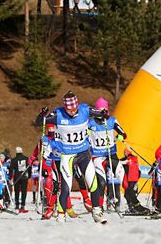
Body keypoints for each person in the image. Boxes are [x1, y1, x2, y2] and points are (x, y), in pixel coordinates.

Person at [37, 90, 108, 223]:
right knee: (65, 188)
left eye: (74, 109)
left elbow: (101, 114)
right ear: (65, 107)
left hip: (84, 154)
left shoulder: (85, 110)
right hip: (67, 156)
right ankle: (61, 215)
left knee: (93, 183)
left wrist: (104, 113)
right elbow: (39, 122)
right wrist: (42, 115)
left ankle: (97, 212)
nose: (72, 112)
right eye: (69, 110)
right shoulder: (58, 114)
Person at [88, 97, 127, 213]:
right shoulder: (90, 123)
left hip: (111, 154)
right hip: (97, 156)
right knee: (101, 183)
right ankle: (99, 206)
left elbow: (123, 133)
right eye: (100, 110)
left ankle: (133, 203)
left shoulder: (112, 121)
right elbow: (84, 135)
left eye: (104, 110)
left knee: (123, 179)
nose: (102, 112)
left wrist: (120, 137)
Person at [120, 148, 148, 214]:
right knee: (128, 194)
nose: (124, 153)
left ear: (127, 152)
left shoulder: (129, 159)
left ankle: (136, 206)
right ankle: (132, 207)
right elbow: (139, 170)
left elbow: (122, 162)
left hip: (130, 179)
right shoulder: (134, 159)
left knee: (130, 194)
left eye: (125, 152)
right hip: (133, 179)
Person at [11, 146, 30, 213]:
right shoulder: (26, 159)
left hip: (17, 177)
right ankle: (23, 205)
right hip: (24, 177)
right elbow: (29, 167)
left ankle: (17, 205)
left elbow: (11, 169)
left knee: (17, 191)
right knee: (24, 191)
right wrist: (29, 175)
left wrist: (10, 177)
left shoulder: (14, 160)